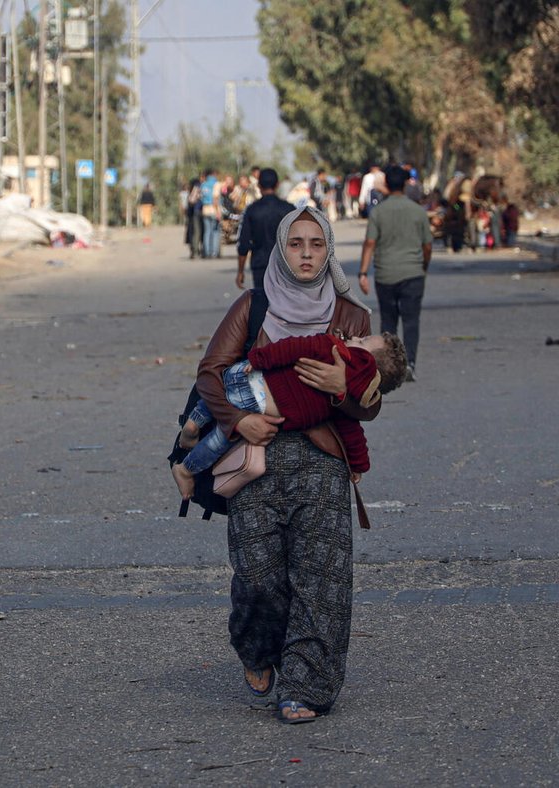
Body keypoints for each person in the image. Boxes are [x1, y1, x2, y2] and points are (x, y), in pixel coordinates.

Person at [195, 203, 378, 724]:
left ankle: (306, 685)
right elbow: (211, 373)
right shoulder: (253, 307)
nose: (305, 254)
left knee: (321, 578)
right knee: (258, 575)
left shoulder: (351, 317)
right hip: (256, 459)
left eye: (316, 245)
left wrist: (347, 389)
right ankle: (256, 648)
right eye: (295, 244)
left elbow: (372, 401)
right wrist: (238, 422)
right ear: (281, 248)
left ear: (328, 251)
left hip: (322, 461)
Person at [172, 329, 406, 496]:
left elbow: (293, 346)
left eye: (363, 341)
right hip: (256, 399)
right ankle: (185, 469)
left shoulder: (331, 348)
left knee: (224, 389)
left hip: (248, 375)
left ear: (366, 362)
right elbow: (352, 432)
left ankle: (193, 425)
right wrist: (358, 465)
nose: (355, 336)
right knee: (220, 439)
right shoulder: (343, 399)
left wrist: (259, 358)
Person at [358, 164, 433, 382]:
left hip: (385, 275)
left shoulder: (378, 212)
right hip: (413, 273)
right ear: (405, 185)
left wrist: (363, 273)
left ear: (388, 185)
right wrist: (423, 266)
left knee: (388, 322)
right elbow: (427, 245)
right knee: (411, 320)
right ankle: (410, 363)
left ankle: (388, 368)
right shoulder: (418, 212)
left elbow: (370, 243)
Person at [236, 168, 295, 290]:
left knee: (263, 302)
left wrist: (240, 271)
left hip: (261, 264)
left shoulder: (252, 210)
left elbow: (244, 243)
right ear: (277, 185)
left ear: (258, 185)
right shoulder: (289, 209)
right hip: (286, 265)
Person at [200, 169, 222, 258]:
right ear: (214, 174)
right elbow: (215, 198)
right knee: (215, 232)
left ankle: (207, 251)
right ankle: (214, 252)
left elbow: (201, 197)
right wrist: (217, 212)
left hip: (205, 210)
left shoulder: (203, 184)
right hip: (214, 210)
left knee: (207, 231)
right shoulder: (216, 184)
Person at [185, 177, 203, 259]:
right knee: (197, 232)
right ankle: (195, 251)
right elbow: (192, 200)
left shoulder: (191, 190)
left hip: (192, 214)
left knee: (193, 233)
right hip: (197, 213)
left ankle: (194, 251)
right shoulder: (197, 187)